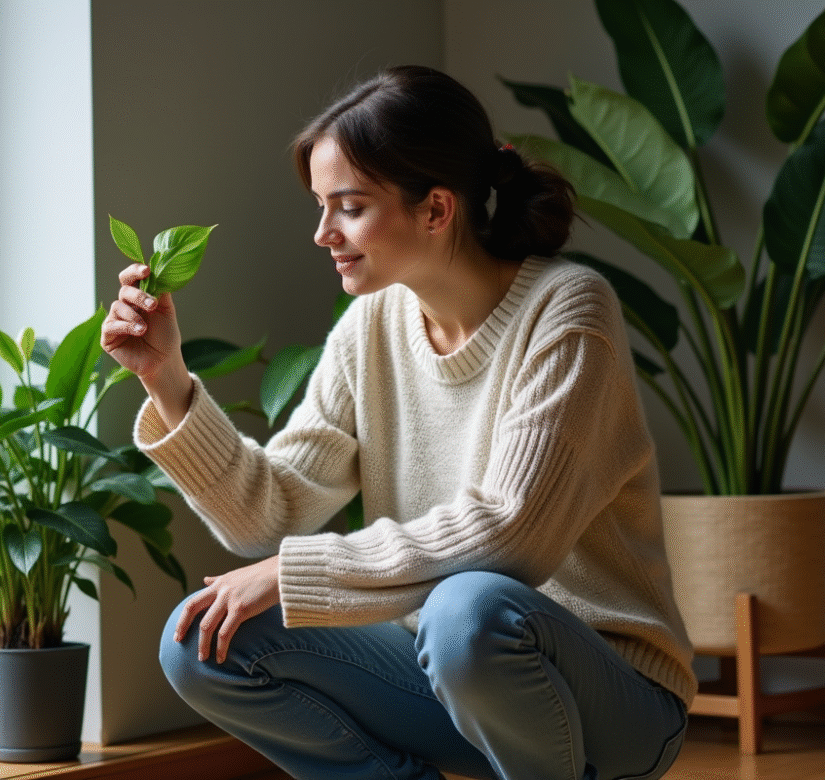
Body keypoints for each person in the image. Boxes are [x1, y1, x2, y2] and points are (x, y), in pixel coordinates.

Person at [101, 64, 694, 780]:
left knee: (467, 610)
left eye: (347, 207)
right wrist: (166, 378)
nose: (323, 233)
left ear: (437, 209)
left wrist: (292, 574)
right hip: (446, 678)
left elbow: (512, 537)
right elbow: (271, 511)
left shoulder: (568, 310)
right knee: (203, 638)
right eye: (321, 207)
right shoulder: (369, 327)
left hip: (616, 704)